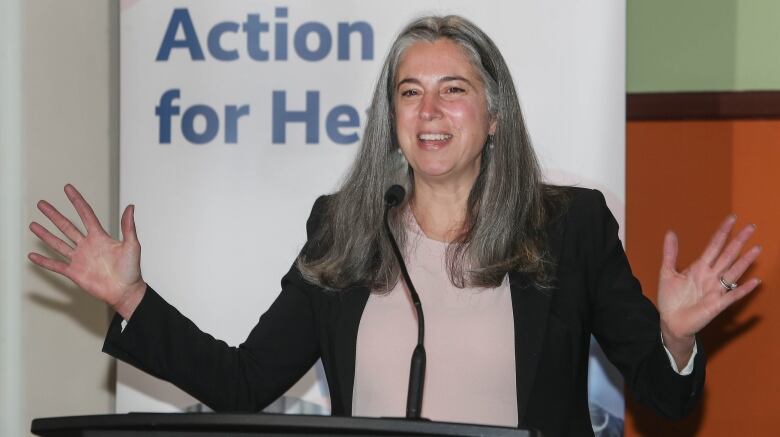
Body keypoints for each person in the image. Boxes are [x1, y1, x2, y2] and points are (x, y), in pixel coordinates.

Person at [28, 15, 761, 437]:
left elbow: (666, 398)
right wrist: (132, 299)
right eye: (410, 92)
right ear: (392, 118)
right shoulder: (343, 231)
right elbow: (244, 382)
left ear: (495, 116)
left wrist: (676, 337)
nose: (429, 111)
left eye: (453, 91)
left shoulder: (570, 227)